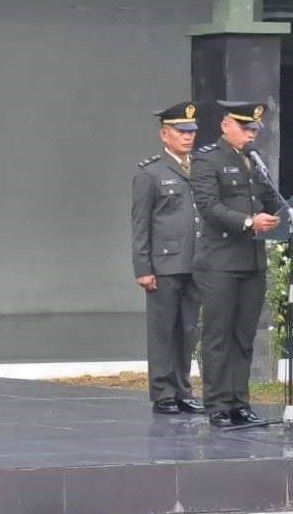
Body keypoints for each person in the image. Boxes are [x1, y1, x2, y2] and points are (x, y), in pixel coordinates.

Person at [189, 100, 281, 428]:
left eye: (254, 129)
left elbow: (269, 199)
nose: (251, 134)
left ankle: (240, 402)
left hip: (252, 261)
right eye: (245, 128)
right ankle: (217, 404)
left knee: (244, 336)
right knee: (218, 335)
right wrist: (248, 222)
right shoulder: (207, 159)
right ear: (226, 125)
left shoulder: (255, 159)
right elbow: (209, 206)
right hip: (220, 261)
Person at [130, 101, 205, 415]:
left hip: (196, 261)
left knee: (187, 329)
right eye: (180, 131)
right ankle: (163, 392)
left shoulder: (201, 168)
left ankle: (182, 389)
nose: (188, 137)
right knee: (163, 330)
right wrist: (143, 267)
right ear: (164, 134)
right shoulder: (151, 173)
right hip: (164, 263)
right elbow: (140, 224)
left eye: (191, 131)